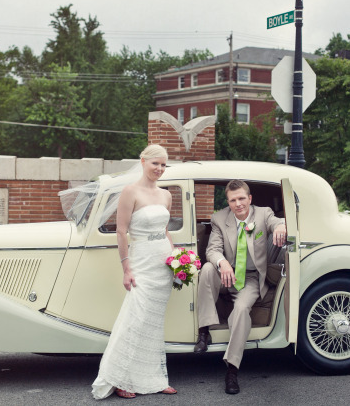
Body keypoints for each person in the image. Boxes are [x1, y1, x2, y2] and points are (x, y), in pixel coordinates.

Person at [91, 144, 178, 400]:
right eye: (155, 164)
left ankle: (155, 378)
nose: (160, 169)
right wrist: (126, 268)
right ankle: (120, 378)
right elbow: (121, 231)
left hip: (163, 264)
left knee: (153, 324)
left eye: (163, 165)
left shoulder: (166, 196)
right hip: (141, 263)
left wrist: (177, 260)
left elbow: (165, 231)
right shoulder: (130, 192)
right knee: (135, 321)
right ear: (143, 161)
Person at [194, 179, 286, 394]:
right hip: (226, 275)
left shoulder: (263, 214)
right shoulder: (219, 218)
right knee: (207, 268)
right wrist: (223, 263)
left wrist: (281, 226)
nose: (238, 204)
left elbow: (275, 222)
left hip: (252, 279)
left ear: (249, 198)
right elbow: (212, 249)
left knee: (242, 310)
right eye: (233, 200)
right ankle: (203, 331)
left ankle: (232, 370)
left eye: (242, 198)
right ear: (228, 202)